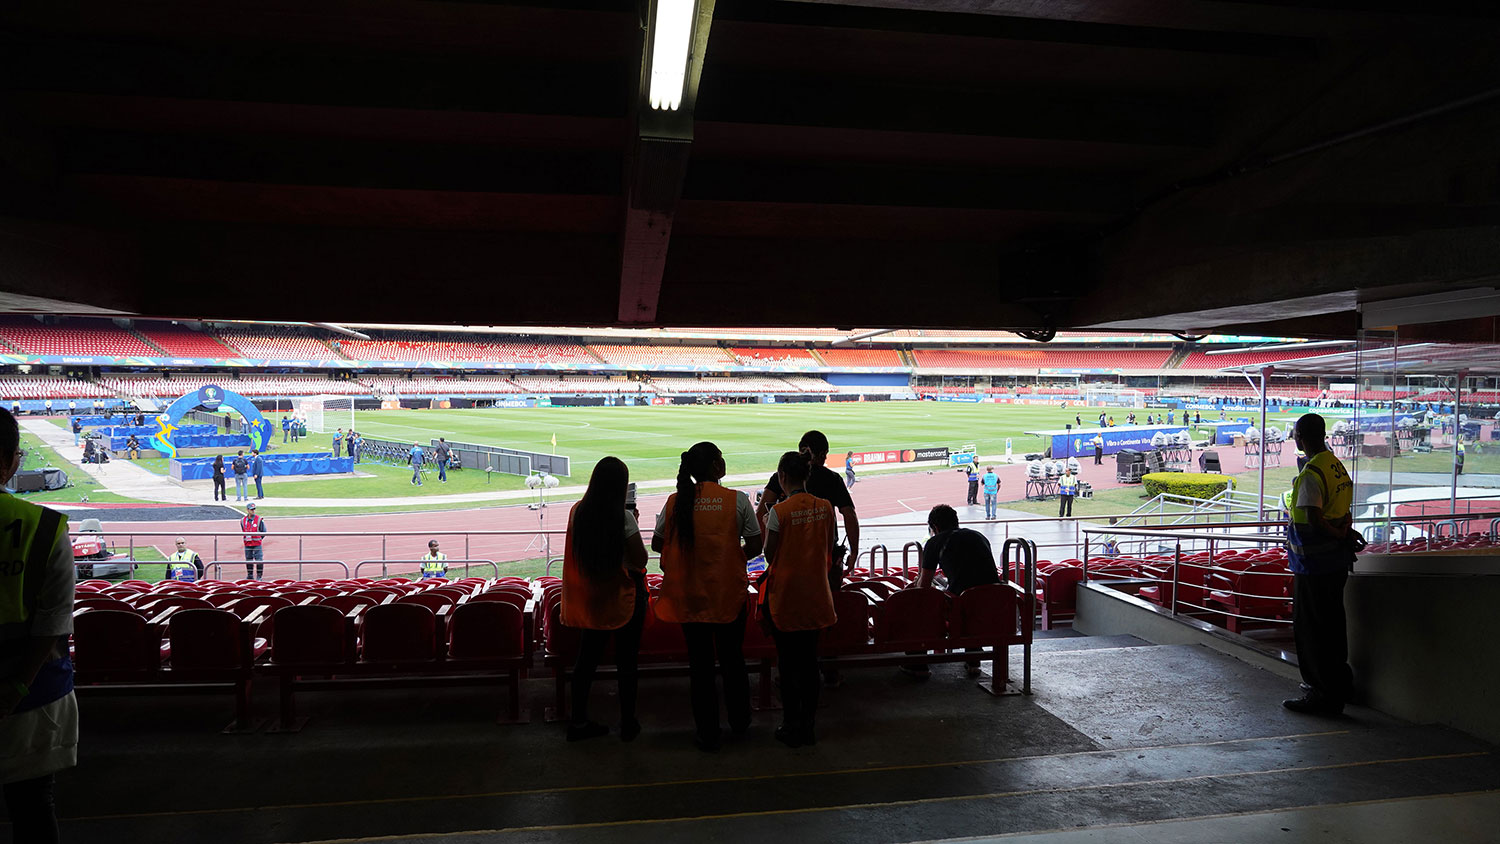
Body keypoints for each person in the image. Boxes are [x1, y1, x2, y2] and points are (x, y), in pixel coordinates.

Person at [653, 442, 762, 751]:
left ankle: (707, 732)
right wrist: (730, 554)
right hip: (728, 595)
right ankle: (740, 721)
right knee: (732, 661)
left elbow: (658, 544)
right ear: (716, 467)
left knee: (700, 668)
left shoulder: (676, 502)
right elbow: (755, 546)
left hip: (690, 596)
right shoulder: (737, 501)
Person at [0, 408, 76, 844]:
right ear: (14, 460)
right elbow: (53, 623)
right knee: (32, 809)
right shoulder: (44, 526)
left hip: (26, 694)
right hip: (33, 698)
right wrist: (15, 688)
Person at [562, 457, 649, 743]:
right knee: (627, 662)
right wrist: (633, 523)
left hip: (592, 594)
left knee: (585, 661)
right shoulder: (621, 517)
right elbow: (640, 559)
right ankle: (628, 723)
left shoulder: (578, 511)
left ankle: (577, 721)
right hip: (623, 594)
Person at [760, 451, 837, 747]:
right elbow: (829, 545)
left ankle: (791, 724)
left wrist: (768, 521)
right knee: (809, 663)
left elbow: (769, 555)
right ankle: (809, 725)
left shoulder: (780, 512)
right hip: (817, 595)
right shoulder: (826, 507)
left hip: (786, 598)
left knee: (788, 665)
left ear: (782, 477)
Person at [1283, 413, 1355, 716]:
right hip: (1334, 561)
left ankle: (1321, 693)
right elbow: (1344, 509)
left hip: (1314, 565)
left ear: (1301, 437)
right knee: (1333, 626)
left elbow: (1313, 517)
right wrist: (1341, 533)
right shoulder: (1335, 466)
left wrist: (1336, 532)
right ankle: (1337, 686)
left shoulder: (1313, 472)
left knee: (1312, 630)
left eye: (1296, 435)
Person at [903, 505, 1000, 678]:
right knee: (971, 598)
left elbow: (923, 586)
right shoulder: (979, 536)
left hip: (962, 605)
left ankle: (917, 664)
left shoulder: (935, 542)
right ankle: (973, 659)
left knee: (918, 604)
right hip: (994, 603)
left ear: (935, 528)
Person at [241, 502, 266, 579]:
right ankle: (250, 575)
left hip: (257, 543)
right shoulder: (243, 520)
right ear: (247, 510)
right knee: (248, 560)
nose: (253, 511)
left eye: (254, 509)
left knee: (259, 560)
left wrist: (258, 539)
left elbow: (263, 531)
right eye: (251, 509)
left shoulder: (259, 519)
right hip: (247, 544)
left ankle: (259, 576)